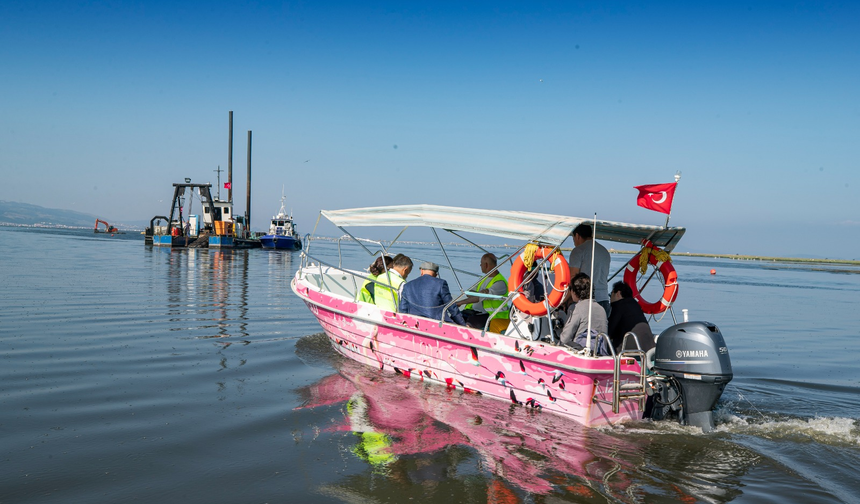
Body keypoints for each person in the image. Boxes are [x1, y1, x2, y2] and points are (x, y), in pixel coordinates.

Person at [456, 253, 510, 333]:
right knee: (454, 318)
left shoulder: (500, 283)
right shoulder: (483, 278)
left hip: (490, 316)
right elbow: (469, 292)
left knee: (468, 325)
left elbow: (479, 297)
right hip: (473, 311)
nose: (480, 266)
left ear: (486, 265)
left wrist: (461, 302)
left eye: (481, 264)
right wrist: (480, 293)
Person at [399, 262, 466, 325]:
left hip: (414, 323)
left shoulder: (407, 285)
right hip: (436, 323)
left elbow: (403, 309)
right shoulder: (441, 283)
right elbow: (451, 306)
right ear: (436, 275)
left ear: (421, 271)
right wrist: (462, 324)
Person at [568, 223, 612, 317]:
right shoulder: (605, 251)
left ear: (577, 236)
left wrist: (563, 301)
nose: (574, 242)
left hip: (586, 302)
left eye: (573, 239)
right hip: (604, 301)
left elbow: (573, 279)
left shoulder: (578, 251)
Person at [559, 273, 608, 349]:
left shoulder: (576, 308)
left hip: (581, 351)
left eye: (570, 289)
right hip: (599, 351)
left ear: (574, 292)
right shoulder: (601, 309)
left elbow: (565, 338)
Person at [607, 281, 655, 352]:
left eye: (611, 294)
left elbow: (610, 329)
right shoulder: (635, 304)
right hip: (648, 347)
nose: (610, 298)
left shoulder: (618, 305)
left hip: (631, 347)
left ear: (618, 293)